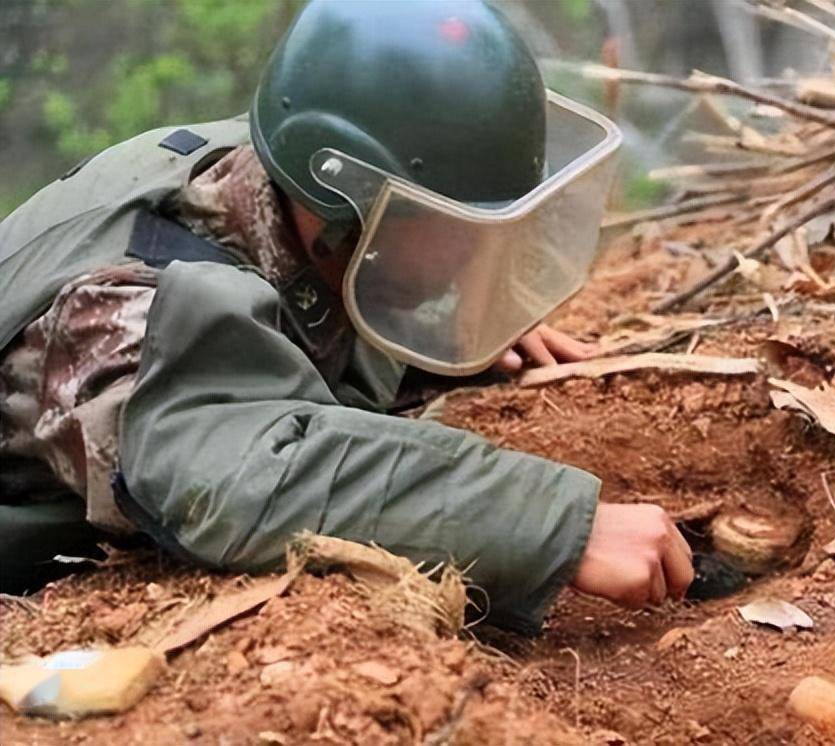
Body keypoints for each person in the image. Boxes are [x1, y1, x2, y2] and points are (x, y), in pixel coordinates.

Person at [0, 0, 692, 634]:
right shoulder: (120, 312)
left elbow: (296, 292)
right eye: (457, 229)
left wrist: (441, 322)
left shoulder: (287, 170)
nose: (471, 254)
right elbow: (237, 480)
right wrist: (553, 525)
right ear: (351, 204)